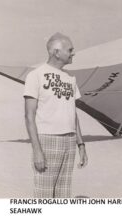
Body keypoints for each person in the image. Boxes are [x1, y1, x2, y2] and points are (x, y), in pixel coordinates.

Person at [24, 32, 88, 198]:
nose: (73, 53)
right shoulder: (35, 75)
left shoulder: (70, 78)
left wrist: (81, 145)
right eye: (70, 49)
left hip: (70, 141)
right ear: (56, 52)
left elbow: (73, 114)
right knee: (44, 195)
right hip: (47, 140)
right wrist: (37, 150)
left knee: (63, 194)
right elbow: (29, 116)